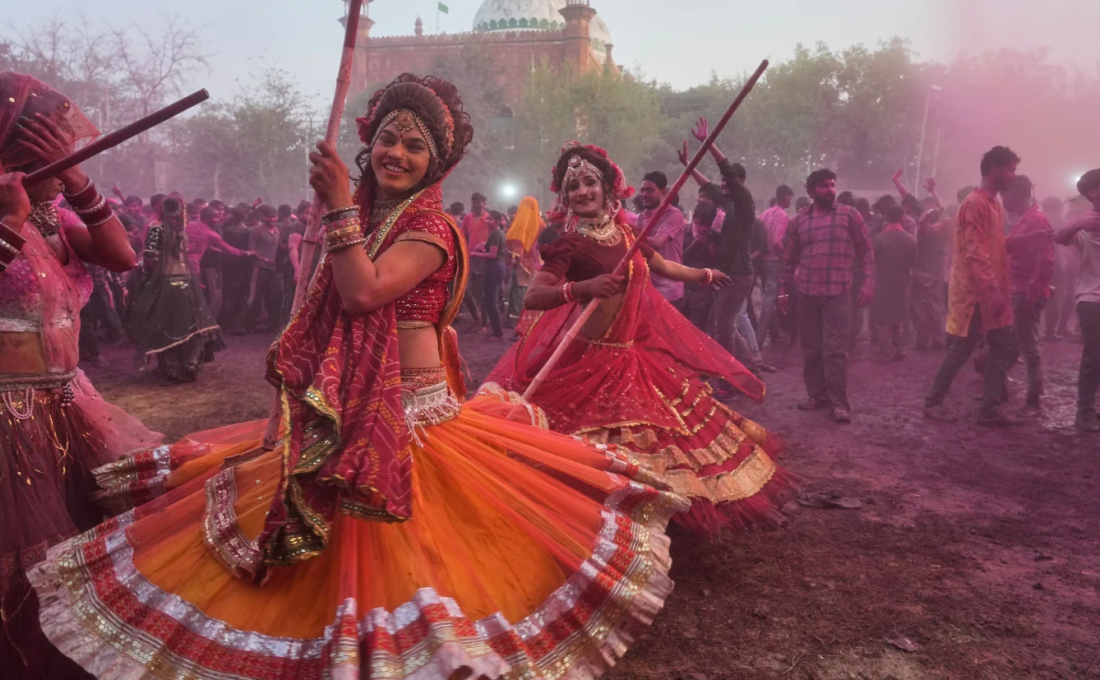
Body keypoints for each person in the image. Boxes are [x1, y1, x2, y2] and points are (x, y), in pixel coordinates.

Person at [30, 73, 686, 680]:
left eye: (415, 146)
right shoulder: (367, 216)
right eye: (388, 139)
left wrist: (340, 207)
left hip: (414, 418)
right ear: (369, 144)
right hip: (349, 410)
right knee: (310, 553)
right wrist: (338, 218)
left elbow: (364, 294)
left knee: (415, 562)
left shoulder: (435, 226)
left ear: (438, 164)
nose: (396, 153)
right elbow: (329, 310)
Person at [487, 140, 794, 538]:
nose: (582, 191)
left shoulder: (627, 234)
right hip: (587, 364)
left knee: (657, 440)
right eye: (573, 185)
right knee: (592, 449)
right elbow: (533, 296)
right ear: (565, 195)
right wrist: (581, 288)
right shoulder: (569, 244)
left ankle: (647, 520)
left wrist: (703, 274)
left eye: (589, 183)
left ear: (608, 189)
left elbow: (663, 265)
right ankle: (600, 524)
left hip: (631, 357)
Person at [0, 72, 163, 680]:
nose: (63, 157)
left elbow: (123, 256)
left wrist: (77, 179)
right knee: (32, 558)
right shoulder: (14, 212)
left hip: (72, 402)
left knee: (94, 527)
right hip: (7, 419)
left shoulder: (54, 220)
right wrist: (9, 220)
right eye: (50, 149)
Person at [923, 146, 1022, 426]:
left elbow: (993, 247)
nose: (1013, 176)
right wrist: (991, 290)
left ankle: (989, 408)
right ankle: (934, 402)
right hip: (976, 293)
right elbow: (974, 251)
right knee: (964, 348)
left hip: (989, 289)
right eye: (1010, 170)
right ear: (994, 170)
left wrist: (1019, 242)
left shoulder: (992, 204)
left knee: (1003, 346)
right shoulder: (975, 204)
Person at [779, 169, 874, 423]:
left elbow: (866, 251)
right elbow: (788, 260)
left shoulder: (849, 215)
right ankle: (817, 396)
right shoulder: (797, 222)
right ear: (811, 192)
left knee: (835, 350)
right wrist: (782, 292)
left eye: (832, 184)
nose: (830, 189)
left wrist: (868, 283)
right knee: (811, 348)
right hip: (807, 293)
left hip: (838, 293)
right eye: (823, 186)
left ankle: (839, 403)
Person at [677, 117, 760, 378]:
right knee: (724, 326)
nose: (724, 187)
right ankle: (750, 368)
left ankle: (730, 380)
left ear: (739, 182)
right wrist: (688, 166)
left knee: (723, 326)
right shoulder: (729, 201)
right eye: (723, 185)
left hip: (738, 274)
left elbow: (725, 170)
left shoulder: (744, 201)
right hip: (727, 273)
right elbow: (708, 186)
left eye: (728, 183)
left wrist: (708, 141)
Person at [127, 199, 244, 383]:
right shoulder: (182, 229)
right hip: (187, 281)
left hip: (164, 282)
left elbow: (149, 258)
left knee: (162, 323)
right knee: (192, 322)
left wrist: (143, 270)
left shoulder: (156, 227)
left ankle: (171, 367)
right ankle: (190, 362)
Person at [1002, 175, 1055, 416]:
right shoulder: (1024, 219)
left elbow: (1045, 261)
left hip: (1026, 292)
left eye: (1006, 195)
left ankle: (1033, 401)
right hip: (1019, 290)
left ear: (1019, 195)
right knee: (1014, 342)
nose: (1004, 200)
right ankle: (1001, 390)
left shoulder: (1035, 220)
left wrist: (1032, 294)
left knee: (1028, 345)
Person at [1054, 170, 1100, 432]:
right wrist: (1080, 224)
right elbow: (1059, 237)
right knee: (1094, 355)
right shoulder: (1084, 223)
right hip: (1091, 298)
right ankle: (1084, 410)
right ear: (1093, 192)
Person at [869, 205, 917, 362]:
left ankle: (884, 350)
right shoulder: (910, 240)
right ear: (902, 218)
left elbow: (871, 263)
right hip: (902, 283)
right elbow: (914, 265)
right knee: (900, 316)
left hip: (882, 283)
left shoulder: (877, 240)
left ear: (886, 219)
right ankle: (900, 349)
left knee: (883, 318)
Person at [637, 170, 687, 308]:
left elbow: (658, 242)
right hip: (649, 288)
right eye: (642, 190)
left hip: (670, 289)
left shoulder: (673, 214)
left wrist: (630, 233)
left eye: (649, 190)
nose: (644, 194)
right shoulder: (641, 217)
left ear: (663, 192)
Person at [758, 185, 794, 347]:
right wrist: (787, 256)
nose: (790, 200)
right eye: (790, 197)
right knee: (770, 300)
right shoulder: (782, 215)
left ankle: (773, 332)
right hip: (774, 261)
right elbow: (777, 241)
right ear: (785, 196)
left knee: (768, 296)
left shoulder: (766, 213)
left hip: (762, 260)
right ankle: (758, 339)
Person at [910, 208, 950, 350]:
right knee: (937, 309)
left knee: (920, 310)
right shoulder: (943, 235)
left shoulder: (922, 235)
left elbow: (921, 227)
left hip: (921, 275)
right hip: (937, 275)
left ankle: (922, 340)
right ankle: (938, 339)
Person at [504, 196, 543, 329]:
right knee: (522, 291)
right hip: (534, 264)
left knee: (521, 292)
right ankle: (523, 320)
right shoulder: (541, 224)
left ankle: (522, 322)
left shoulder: (523, 224)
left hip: (526, 264)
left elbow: (518, 244)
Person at [246, 204, 283, 333]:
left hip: (271, 269)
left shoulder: (277, 230)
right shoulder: (257, 231)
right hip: (259, 267)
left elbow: (280, 247)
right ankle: (249, 323)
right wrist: (265, 260)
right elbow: (251, 250)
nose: (272, 220)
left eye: (274, 217)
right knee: (254, 295)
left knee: (274, 294)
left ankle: (270, 323)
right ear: (263, 217)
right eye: (269, 217)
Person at [1043, 195, 1077, 340]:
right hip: (1057, 265)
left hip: (1042, 264)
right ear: (1057, 207)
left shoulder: (1042, 220)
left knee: (1042, 297)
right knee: (1055, 298)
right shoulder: (1060, 222)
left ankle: (1041, 331)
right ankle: (1051, 331)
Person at [682, 202, 720, 330]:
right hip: (681, 290)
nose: (703, 228)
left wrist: (713, 255)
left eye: (707, 225)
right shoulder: (682, 232)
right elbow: (677, 260)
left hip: (701, 295)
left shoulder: (715, 237)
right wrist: (693, 245)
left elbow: (719, 264)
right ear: (694, 219)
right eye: (700, 223)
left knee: (695, 332)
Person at [471, 209, 507, 340]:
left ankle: (498, 333)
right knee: (491, 300)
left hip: (495, 268)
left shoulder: (495, 234)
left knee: (491, 301)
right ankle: (496, 331)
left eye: (490, 219)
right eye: (487, 218)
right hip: (498, 267)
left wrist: (476, 254)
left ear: (497, 221)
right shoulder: (500, 233)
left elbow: (492, 255)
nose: (487, 221)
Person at [461, 191, 489, 326]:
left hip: (485, 259)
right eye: (474, 202)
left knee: (482, 293)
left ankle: (484, 321)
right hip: (470, 258)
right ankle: (476, 316)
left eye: (479, 203)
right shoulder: (467, 218)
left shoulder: (489, 218)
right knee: (465, 291)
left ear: (484, 204)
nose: (476, 205)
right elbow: (463, 236)